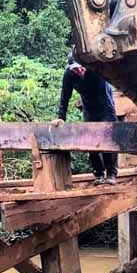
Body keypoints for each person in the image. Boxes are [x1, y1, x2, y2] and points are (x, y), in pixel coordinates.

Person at [52, 54, 118, 185]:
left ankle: (111, 174)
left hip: (105, 106)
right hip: (89, 108)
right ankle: (99, 174)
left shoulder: (95, 70)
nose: (79, 71)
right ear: (71, 69)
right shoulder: (69, 75)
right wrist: (61, 117)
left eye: (81, 68)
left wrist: (107, 120)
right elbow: (65, 97)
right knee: (89, 141)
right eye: (75, 69)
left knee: (107, 139)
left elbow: (104, 96)